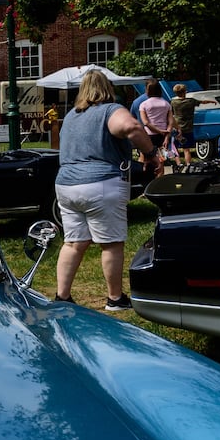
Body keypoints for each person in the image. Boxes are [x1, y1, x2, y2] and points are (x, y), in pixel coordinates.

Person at [52, 70, 160, 310]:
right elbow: (132, 127)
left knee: (73, 242)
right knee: (111, 243)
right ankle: (115, 298)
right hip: (100, 183)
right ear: (108, 88)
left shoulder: (71, 116)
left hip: (66, 185)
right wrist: (151, 154)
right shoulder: (110, 110)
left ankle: (62, 297)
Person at [137, 79, 172, 178]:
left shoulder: (144, 104)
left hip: (148, 136)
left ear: (147, 90)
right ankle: (159, 183)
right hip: (162, 137)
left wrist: (158, 130)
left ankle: (145, 181)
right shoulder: (166, 104)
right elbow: (171, 122)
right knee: (161, 161)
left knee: (146, 160)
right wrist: (166, 136)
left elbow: (146, 122)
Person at [169, 82, 198, 169]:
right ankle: (188, 164)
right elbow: (202, 102)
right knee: (187, 149)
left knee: (174, 147)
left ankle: (178, 164)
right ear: (184, 91)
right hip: (188, 128)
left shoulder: (173, 102)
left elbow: (171, 113)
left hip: (177, 128)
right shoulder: (191, 101)